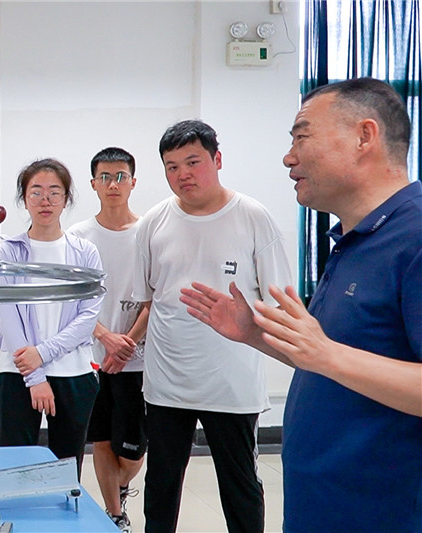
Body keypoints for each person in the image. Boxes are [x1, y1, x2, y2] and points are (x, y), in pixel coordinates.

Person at [180, 78, 422, 533]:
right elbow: (334, 360)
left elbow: (330, 357)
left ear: (364, 136)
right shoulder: (355, 239)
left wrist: (326, 353)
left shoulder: (414, 237)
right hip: (323, 506)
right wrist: (257, 334)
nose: (289, 157)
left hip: (383, 514)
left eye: (301, 137)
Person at [133, 120, 292, 533]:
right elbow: (147, 297)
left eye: (193, 162)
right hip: (167, 381)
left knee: (240, 487)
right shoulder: (153, 222)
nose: (182, 174)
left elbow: (279, 302)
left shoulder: (252, 217)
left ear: (217, 159)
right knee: (161, 485)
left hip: (231, 383)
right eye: (171, 167)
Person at [0, 158, 103, 479]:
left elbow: (88, 316)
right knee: (15, 466)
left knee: (67, 467)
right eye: (36, 192)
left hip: (73, 371)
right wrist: (35, 376)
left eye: (54, 192)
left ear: (66, 199)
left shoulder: (85, 252)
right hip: (17, 370)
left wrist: (42, 354)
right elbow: (7, 313)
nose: (45, 200)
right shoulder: (8, 250)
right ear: (24, 198)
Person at [68, 147, 149, 532]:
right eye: (105, 177)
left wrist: (126, 344)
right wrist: (104, 337)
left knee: (133, 450)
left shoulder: (149, 231)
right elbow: (72, 299)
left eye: (120, 177)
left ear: (133, 182)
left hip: (139, 357)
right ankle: (115, 514)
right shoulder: (77, 236)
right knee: (100, 439)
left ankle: (119, 489)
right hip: (90, 356)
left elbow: (156, 296)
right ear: (93, 184)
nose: (113, 184)